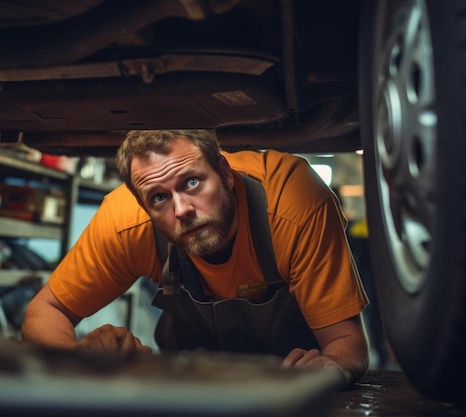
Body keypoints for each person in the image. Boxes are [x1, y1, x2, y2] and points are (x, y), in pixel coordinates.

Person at [22, 129, 370, 386]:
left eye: (192, 183)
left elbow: (346, 343)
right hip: (190, 387)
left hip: (287, 388)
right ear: (143, 206)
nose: (182, 210)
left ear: (225, 173)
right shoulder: (125, 221)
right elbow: (43, 312)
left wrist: (330, 367)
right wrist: (78, 364)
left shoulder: (293, 204)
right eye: (159, 198)